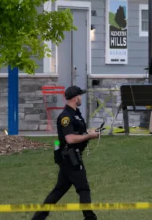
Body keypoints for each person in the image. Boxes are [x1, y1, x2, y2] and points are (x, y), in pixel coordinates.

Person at [31, 86, 99, 220]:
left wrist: (90, 132)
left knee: (59, 189)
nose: (81, 98)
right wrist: (89, 137)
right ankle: (90, 217)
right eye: (80, 96)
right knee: (83, 188)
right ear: (75, 98)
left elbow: (77, 133)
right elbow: (70, 138)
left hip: (71, 156)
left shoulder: (75, 113)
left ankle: (38, 218)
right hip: (70, 157)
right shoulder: (66, 117)